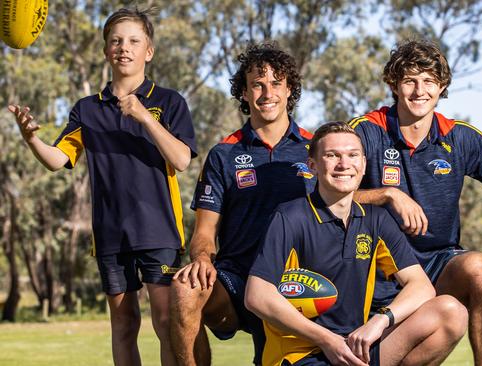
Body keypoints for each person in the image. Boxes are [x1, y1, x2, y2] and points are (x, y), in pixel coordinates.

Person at [8, 7, 197, 366]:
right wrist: (31, 138)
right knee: (124, 325)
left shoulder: (169, 101)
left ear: (149, 51)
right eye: (116, 41)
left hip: (160, 233)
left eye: (133, 41)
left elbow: (183, 160)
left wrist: (143, 115)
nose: (123, 47)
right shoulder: (86, 109)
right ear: (106, 50)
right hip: (111, 235)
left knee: (165, 323)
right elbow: (57, 160)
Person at [347, 39, 482, 365]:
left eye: (429, 81)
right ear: (394, 84)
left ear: (441, 86)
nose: (420, 90)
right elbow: (325, 194)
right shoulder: (366, 132)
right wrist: (387, 194)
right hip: (378, 267)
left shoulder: (458, 135)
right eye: (410, 80)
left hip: (437, 262)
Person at [245, 121, 468, 366]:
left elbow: (421, 286)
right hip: (301, 353)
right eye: (332, 155)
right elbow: (257, 296)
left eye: (353, 155)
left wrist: (380, 321)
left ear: (363, 165)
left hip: (355, 347)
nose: (344, 164)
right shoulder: (290, 217)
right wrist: (327, 340)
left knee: (450, 312)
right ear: (313, 166)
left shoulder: (376, 219)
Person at [169, 43, 315, 366]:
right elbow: (204, 233)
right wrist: (203, 259)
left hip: (297, 284)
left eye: (276, 83)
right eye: (257, 84)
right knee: (184, 288)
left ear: (289, 89)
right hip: (236, 282)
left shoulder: (314, 148)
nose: (267, 92)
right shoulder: (224, 154)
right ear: (245, 93)